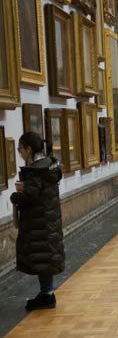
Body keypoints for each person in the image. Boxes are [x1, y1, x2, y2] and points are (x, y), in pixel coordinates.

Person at [9, 132, 65, 311]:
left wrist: (15, 197)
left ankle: (47, 295)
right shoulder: (49, 166)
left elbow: (31, 196)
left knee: (42, 258)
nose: (20, 153)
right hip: (48, 221)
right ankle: (46, 293)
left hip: (39, 223)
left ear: (29, 148)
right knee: (45, 258)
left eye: (20, 149)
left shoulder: (35, 171)